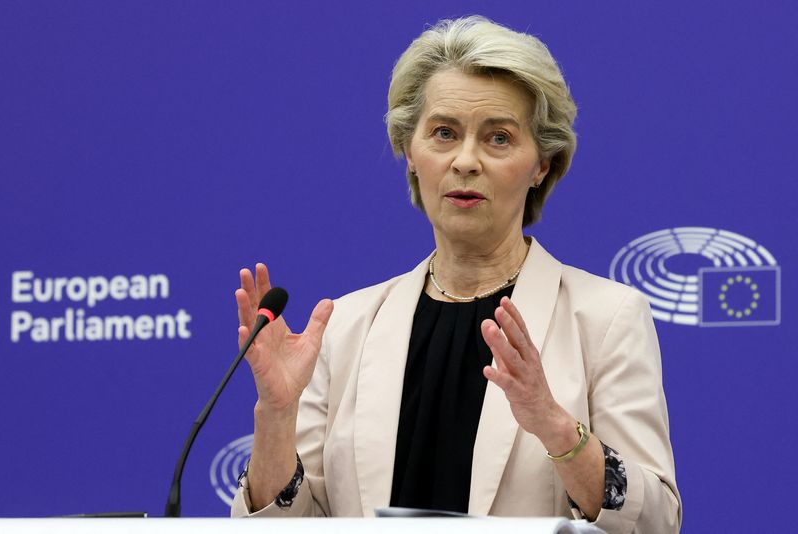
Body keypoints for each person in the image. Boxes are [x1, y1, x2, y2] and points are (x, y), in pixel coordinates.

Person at [231, 16, 681, 533]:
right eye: (444, 133)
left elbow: (656, 524)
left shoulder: (604, 318)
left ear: (541, 164)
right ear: (410, 153)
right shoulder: (347, 326)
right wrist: (276, 415)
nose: (466, 161)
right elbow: (282, 527)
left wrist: (558, 429)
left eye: (498, 138)